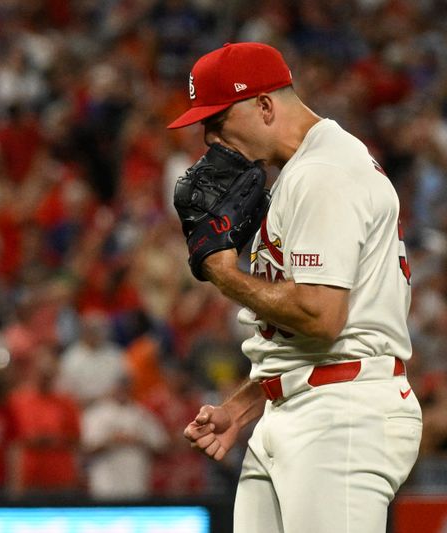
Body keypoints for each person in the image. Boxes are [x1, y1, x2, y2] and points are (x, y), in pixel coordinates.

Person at [169, 42, 423, 532]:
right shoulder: (303, 169)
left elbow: (320, 317)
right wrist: (243, 405)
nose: (208, 137)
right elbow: (305, 339)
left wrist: (223, 271)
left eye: (218, 120)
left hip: (342, 415)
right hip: (302, 405)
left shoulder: (321, 172)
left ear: (264, 105)